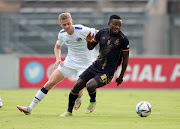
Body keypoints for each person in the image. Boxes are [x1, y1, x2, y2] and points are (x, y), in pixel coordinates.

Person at [17, 12, 98, 115]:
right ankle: (30, 108)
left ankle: (79, 97)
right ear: (61, 25)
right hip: (70, 62)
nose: (67, 26)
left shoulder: (82, 30)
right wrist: (58, 59)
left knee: (78, 87)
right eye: (64, 25)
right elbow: (57, 47)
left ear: (72, 22)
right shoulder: (62, 34)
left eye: (69, 23)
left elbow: (100, 33)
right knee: (50, 83)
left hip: (85, 64)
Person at [60, 14, 129, 117]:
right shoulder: (102, 33)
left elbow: (126, 58)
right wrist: (88, 41)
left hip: (108, 71)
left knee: (90, 85)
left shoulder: (123, 39)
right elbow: (91, 47)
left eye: (119, 25)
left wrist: (121, 76)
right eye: (115, 24)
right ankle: (69, 112)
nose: (117, 27)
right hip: (96, 66)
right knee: (77, 86)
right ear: (109, 24)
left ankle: (92, 100)